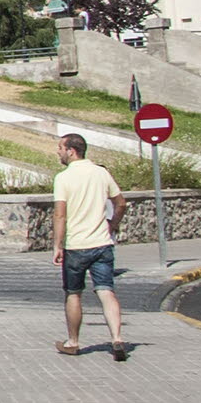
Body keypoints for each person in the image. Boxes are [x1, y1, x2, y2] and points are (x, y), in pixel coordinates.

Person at [51, 133, 128, 361]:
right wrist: (112, 224)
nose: (58, 152)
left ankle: (73, 342)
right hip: (102, 243)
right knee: (106, 291)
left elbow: (60, 215)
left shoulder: (63, 178)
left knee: (73, 294)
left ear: (71, 151)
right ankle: (117, 338)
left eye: (60, 148)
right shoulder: (101, 173)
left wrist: (57, 245)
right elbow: (120, 202)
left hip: (76, 246)